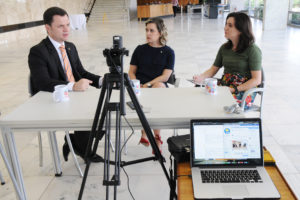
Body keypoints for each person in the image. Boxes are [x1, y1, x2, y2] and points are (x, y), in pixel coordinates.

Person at [28, 7, 102, 162]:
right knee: (89, 114)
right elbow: (42, 82)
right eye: (60, 26)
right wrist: (73, 86)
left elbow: (81, 73)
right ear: (48, 28)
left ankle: (77, 143)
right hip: (53, 101)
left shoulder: (70, 47)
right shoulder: (38, 51)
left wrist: (103, 81)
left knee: (104, 109)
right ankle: (83, 148)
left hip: (74, 98)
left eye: (68, 24)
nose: (66, 29)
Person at [193, 12, 262, 109]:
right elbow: (213, 69)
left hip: (243, 89)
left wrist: (234, 89)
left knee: (224, 105)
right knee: (198, 93)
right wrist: (201, 77)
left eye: (230, 25)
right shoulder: (224, 48)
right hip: (226, 85)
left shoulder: (253, 50)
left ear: (241, 29)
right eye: (226, 24)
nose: (225, 28)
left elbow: (256, 80)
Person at [128, 17, 175, 153]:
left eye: (152, 30)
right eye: (146, 30)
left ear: (160, 33)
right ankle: (152, 135)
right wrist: (137, 84)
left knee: (158, 88)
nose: (148, 33)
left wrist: (147, 85)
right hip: (139, 86)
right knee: (150, 94)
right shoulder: (140, 49)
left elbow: (165, 76)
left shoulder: (168, 52)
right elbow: (131, 72)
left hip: (157, 86)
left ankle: (153, 135)